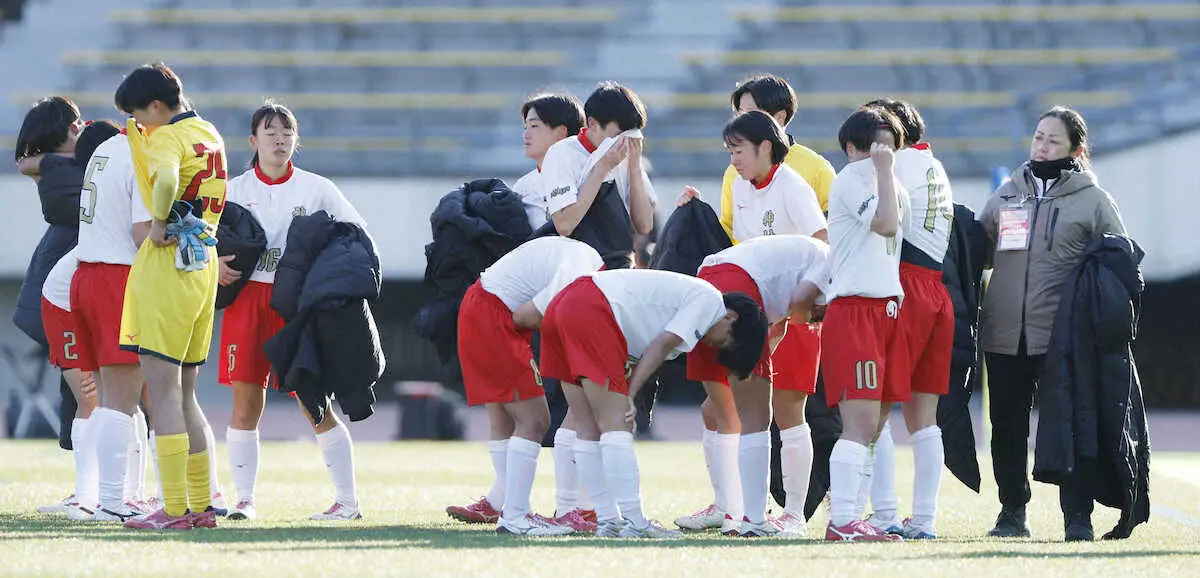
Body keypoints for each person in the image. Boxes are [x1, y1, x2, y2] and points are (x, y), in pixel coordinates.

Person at [673, 110, 827, 534]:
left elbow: (821, 242)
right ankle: (730, 507)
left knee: (787, 409)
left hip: (792, 299)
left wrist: (794, 314)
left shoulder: (793, 185)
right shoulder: (739, 185)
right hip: (753, 294)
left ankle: (792, 513)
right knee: (716, 409)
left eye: (738, 149)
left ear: (766, 145)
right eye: (729, 151)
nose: (733, 159)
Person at [979, 106, 1127, 542]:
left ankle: (1077, 517)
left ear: (1076, 150)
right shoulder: (1007, 194)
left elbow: (1119, 263)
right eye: (1038, 137)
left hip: (1065, 337)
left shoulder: (1094, 200)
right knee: (1006, 427)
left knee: (1070, 426)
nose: (1042, 147)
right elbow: (980, 254)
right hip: (1004, 332)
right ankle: (1012, 511)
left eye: (1053, 141)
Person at [219, 102, 368, 522]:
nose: (279, 139)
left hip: (296, 305)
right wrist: (214, 264)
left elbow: (356, 234)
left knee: (314, 402)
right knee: (245, 403)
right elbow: (199, 236)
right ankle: (244, 500)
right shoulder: (232, 190)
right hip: (247, 301)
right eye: (270, 132)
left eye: (287, 132)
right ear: (253, 140)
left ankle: (347, 502)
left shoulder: (317, 188)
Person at [540, 269, 767, 538]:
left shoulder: (689, 302)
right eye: (726, 340)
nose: (714, 345)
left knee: (587, 426)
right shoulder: (710, 302)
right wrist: (629, 395)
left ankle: (608, 520)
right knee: (618, 424)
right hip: (591, 305)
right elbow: (660, 345)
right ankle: (635, 522)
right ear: (731, 317)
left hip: (566, 301)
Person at [116, 62, 227, 530]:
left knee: (161, 391)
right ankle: (201, 505)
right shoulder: (210, 132)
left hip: (171, 264)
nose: (139, 124)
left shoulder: (166, 136)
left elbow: (164, 182)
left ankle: (176, 508)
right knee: (186, 394)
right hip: (204, 262)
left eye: (139, 115)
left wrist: (159, 222)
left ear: (157, 107)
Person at [850, 98, 955, 540]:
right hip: (936, 290)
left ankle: (883, 513)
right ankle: (924, 519)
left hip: (903, 286)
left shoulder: (895, 166)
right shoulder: (934, 166)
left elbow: (881, 222)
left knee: (875, 405)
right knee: (923, 416)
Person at [454, 236, 603, 535]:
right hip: (494, 315)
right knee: (535, 420)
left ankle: (503, 504)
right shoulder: (580, 272)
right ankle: (516, 516)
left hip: (482, 306)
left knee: (505, 419)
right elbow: (526, 316)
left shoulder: (585, 261)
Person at [685, 235, 828, 537]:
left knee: (721, 411)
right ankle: (755, 519)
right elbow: (801, 304)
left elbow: (780, 325)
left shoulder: (805, 261)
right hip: (741, 288)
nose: (820, 320)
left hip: (705, 281)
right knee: (757, 417)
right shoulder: (833, 263)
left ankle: (732, 510)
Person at [66, 119, 161, 523]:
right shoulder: (141, 153)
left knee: (109, 399)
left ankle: (102, 498)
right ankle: (109, 501)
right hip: (117, 278)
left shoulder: (105, 147)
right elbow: (142, 234)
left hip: (87, 274)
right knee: (122, 401)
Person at [821, 107, 908, 542]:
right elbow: (886, 224)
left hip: (886, 310)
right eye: (876, 146)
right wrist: (884, 169)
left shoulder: (891, 182)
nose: (885, 153)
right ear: (853, 148)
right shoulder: (851, 180)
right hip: (856, 310)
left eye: (891, 145)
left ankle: (859, 517)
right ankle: (843, 521)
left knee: (876, 424)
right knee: (859, 422)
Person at [38, 249, 99, 520]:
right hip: (66, 303)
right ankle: (86, 495)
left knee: (129, 395)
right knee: (90, 396)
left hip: (98, 299)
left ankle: (123, 494)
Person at [511, 92, 586, 230]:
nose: (525, 135)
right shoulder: (522, 187)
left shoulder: (586, 177)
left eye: (534, 126)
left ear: (561, 132)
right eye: (525, 127)